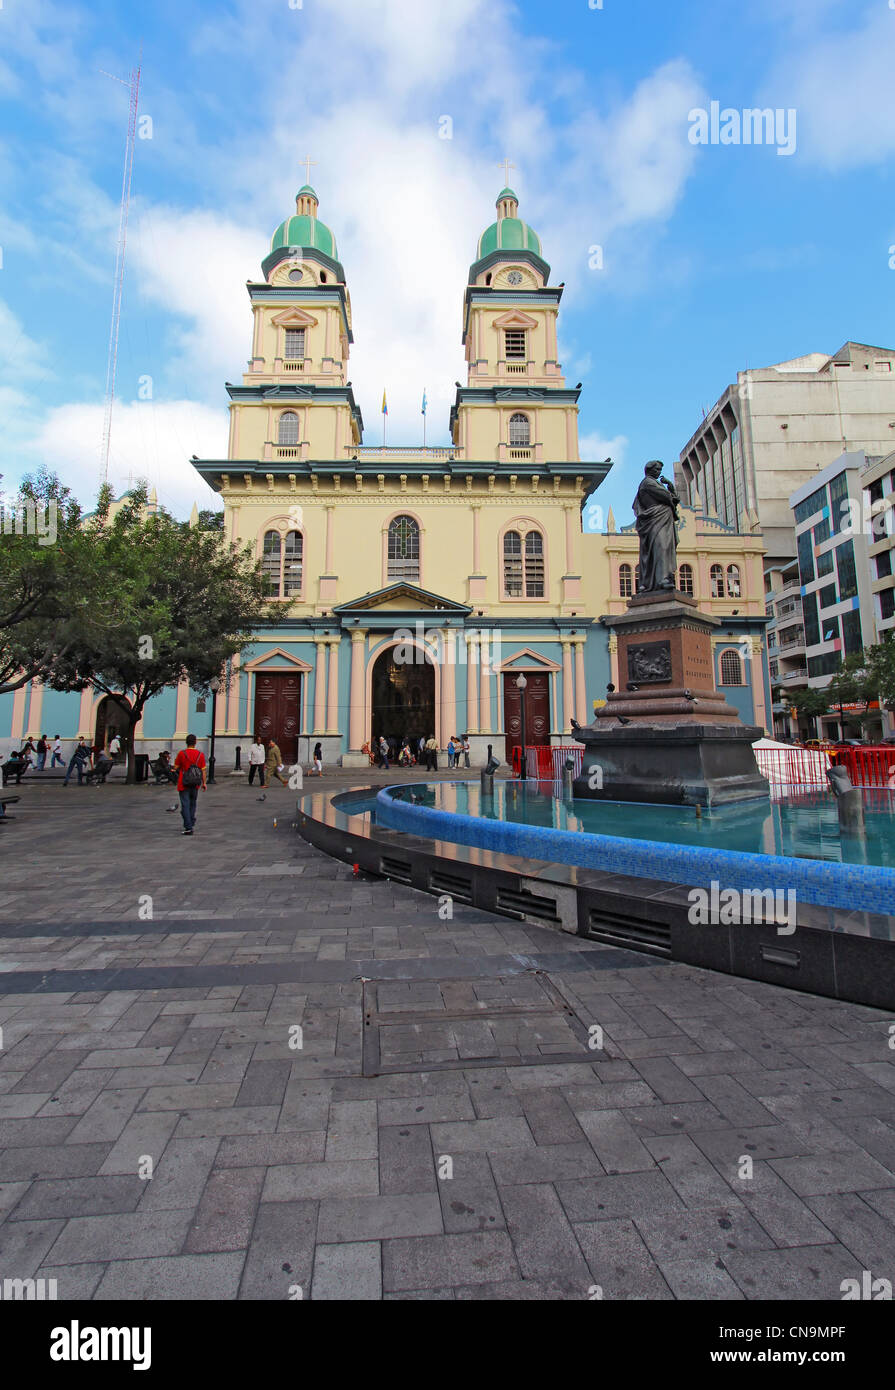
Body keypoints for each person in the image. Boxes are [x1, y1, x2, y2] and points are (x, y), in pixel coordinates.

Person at [173, 733, 207, 835]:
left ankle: (188, 826)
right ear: (195, 742)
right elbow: (203, 771)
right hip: (195, 783)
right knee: (193, 803)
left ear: (186, 742)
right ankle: (191, 821)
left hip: (184, 783)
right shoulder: (200, 755)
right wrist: (204, 783)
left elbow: (175, 767)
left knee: (185, 805)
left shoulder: (181, 754)